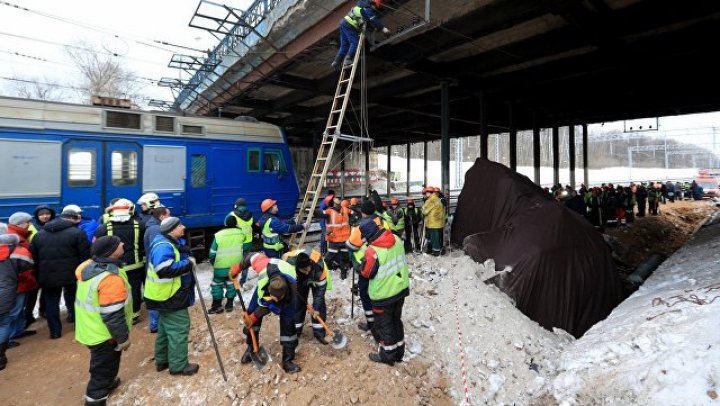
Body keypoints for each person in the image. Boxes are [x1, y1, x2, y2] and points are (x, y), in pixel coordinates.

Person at [74, 236, 133, 406]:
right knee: (103, 369)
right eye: (118, 243)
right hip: (105, 335)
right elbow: (113, 315)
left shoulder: (89, 267)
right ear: (111, 252)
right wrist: (122, 339)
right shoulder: (109, 279)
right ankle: (96, 399)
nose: (123, 243)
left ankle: (107, 383)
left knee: (106, 365)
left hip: (91, 328)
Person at [144, 217, 199, 376]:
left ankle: (163, 360)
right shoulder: (163, 246)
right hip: (170, 296)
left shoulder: (166, 241)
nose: (184, 227)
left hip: (162, 295)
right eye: (180, 225)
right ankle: (178, 366)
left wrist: (182, 251)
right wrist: (188, 263)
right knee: (178, 329)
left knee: (164, 328)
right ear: (171, 230)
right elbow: (164, 270)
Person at [232, 253, 300, 373]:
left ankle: (288, 360)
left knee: (288, 323)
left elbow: (268, 307)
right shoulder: (263, 268)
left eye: (276, 298)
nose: (274, 299)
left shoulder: (291, 291)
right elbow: (251, 256)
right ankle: (251, 347)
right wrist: (238, 268)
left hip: (287, 296)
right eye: (272, 296)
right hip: (267, 282)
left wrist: (255, 316)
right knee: (251, 311)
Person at [30, 205, 91, 338]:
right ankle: (77, 323)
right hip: (71, 273)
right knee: (74, 298)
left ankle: (55, 332)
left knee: (51, 302)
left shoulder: (39, 235)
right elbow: (86, 254)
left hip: (47, 275)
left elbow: (33, 256)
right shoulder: (76, 233)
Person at [359, 217, 409, 366]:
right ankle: (399, 352)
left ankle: (388, 356)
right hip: (400, 289)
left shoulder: (372, 251)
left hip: (383, 296)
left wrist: (359, 266)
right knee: (396, 321)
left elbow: (367, 273)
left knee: (384, 326)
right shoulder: (395, 238)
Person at [94, 199, 146, 325]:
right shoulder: (139, 225)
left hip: (114, 266)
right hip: (135, 264)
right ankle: (134, 314)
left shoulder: (104, 228)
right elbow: (142, 244)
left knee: (116, 290)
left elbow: (98, 246)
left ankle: (119, 314)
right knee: (134, 289)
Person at [0, 229, 34, 371]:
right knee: (4, 322)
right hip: (5, 292)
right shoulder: (17, 251)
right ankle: (0, 356)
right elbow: (29, 264)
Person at [284, 248, 331, 344]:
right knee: (298, 304)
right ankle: (296, 331)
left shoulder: (319, 268)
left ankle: (319, 333)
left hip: (316, 278)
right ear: (297, 267)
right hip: (299, 279)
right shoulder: (289, 264)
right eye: (304, 270)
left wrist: (316, 308)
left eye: (307, 268)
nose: (307, 271)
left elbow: (320, 293)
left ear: (310, 263)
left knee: (319, 305)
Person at [6, 212, 38, 343]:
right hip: (19, 281)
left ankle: (18, 330)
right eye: (28, 222)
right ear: (19, 223)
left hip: (21, 280)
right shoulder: (14, 237)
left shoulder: (18, 234)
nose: (30, 225)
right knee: (14, 311)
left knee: (19, 309)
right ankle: (7, 339)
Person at [331, 0, 390, 69]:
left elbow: (365, 19)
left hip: (343, 23)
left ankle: (336, 62)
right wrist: (382, 28)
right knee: (354, 42)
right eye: (375, 7)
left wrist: (370, 26)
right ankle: (348, 59)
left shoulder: (360, 6)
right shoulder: (367, 8)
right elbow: (372, 19)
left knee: (344, 45)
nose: (374, 9)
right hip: (350, 25)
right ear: (372, 4)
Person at [25, 205, 55, 327]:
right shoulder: (32, 228)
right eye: (41, 214)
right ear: (37, 216)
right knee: (32, 292)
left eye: (47, 214)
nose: (45, 216)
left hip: (48, 264)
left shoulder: (54, 227)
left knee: (46, 290)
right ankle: (28, 314)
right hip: (35, 265)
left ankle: (44, 310)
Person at [207, 216, 245, 314]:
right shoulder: (241, 234)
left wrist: (213, 263)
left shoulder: (219, 235)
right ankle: (229, 304)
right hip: (235, 267)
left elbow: (212, 253)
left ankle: (217, 305)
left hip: (220, 267)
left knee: (217, 284)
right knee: (231, 283)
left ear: (225, 224)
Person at [142, 206, 170, 333]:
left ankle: (157, 323)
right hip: (155, 270)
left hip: (154, 267)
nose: (170, 217)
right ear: (162, 216)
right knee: (155, 296)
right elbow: (158, 251)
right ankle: (155, 325)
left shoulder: (154, 227)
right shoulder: (155, 229)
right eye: (168, 215)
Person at [318, 195, 351, 280]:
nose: (337, 199)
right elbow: (318, 213)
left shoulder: (345, 209)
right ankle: (326, 271)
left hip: (345, 240)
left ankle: (343, 274)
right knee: (329, 258)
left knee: (344, 258)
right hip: (334, 239)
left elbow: (354, 214)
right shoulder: (328, 211)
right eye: (334, 199)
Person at [226, 198, 254, 284]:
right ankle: (243, 281)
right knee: (245, 262)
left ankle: (233, 278)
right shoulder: (250, 215)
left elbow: (226, 223)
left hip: (238, 243)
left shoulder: (232, 214)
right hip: (248, 242)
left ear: (237, 205)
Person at [422, 188, 445, 256]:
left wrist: (422, 209)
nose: (425, 194)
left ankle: (436, 251)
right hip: (439, 222)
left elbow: (424, 211)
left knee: (433, 237)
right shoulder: (438, 199)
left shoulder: (430, 200)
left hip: (432, 222)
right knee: (438, 237)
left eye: (426, 193)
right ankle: (439, 249)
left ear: (429, 193)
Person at [318, 190, 335, 255]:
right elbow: (322, 211)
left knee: (324, 235)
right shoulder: (325, 202)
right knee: (324, 236)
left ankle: (323, 250)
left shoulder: (325, 201)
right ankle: (323, 251)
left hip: (324, 222)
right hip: (324, 222)